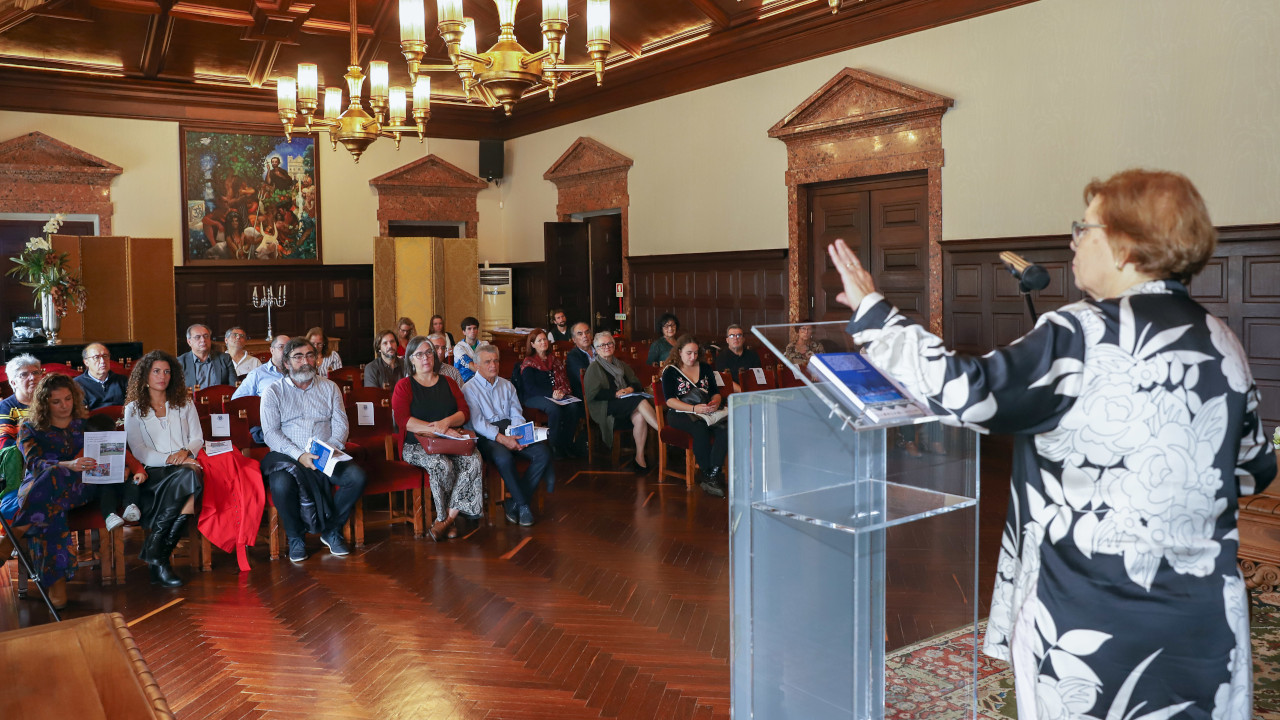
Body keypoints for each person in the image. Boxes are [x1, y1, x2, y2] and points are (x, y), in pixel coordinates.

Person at [826, 169, 1277, 720]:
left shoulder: (1081, 333)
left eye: (1083, 227)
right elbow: (1255, 468)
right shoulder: (1221, 338)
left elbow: (967, 393)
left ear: (1125, 244)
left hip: (1091, 614)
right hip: (1204, 615)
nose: (1072, 240)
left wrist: (875, 313)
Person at [260, 337, 365, 562]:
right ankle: (296, 537)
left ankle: (331, 529)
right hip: (289, 457)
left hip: (326, 453)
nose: (305, 361)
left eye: (309, 355)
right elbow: (270, 433)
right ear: (286, 363)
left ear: (317, 359)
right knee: (280, 484)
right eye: (298, 357)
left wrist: (329, 450)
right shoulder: (273, 392)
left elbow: (341, 424)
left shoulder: (330, 388)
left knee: (356, 477)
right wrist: (300, 455)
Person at [0, 373, 96, 608]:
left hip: (79, 486)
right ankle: (57, 588)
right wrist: (67, 465)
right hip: (36, 486)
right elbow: (35, 464)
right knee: (52, 500)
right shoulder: (29, 428)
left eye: (67, 399)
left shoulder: (83, 425)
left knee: (52, 486)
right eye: (56, 401)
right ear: (44, 403)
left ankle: (13, 538)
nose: (64, 406)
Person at [123, 350, 205, 587]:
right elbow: (138, 450)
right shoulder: (134, 409)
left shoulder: (185, 403)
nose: (162, 376)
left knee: (190, 477)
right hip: (153, 471)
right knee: (189, 484)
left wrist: (185, 453)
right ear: (145, 375)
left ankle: (157, 558)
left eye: (167, 371)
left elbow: (197, 438)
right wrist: (172, 459)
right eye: (156, 371)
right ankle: (158, 558)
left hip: (185, 464)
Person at [393, 336, 483, 541]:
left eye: (429, 352)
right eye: (419, 354)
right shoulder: (404, 386)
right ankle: (443, 518)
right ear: (411, 359)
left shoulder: (449, 382)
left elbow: (464, 412)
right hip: (415, 445)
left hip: (448, 441)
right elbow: (403, 421)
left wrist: (447, 423)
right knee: (442, 464)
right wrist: (436, 429)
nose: (425, 357)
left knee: (474, 459)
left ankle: (446, 521)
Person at [463, 345, 552, 527]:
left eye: (495, 361)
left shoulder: (507, 384)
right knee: (504, 458)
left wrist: (520, 434)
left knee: (543, 453)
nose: (493, 365)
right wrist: (503, 439)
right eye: (488, 362)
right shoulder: (469, 388)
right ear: (478, 365)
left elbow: (516, 413)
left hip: (511, 429)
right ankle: (523, 505)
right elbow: (479, 423)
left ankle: (516, 502)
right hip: (486, 435)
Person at [661, 335, 727, 497]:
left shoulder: (705, 368)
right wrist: (693, 408)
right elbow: (670, 401)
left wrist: (715, 403)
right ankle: (706, 473)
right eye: (689, 353)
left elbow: (715, 393)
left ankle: (713, 473)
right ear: (679, 352)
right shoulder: (670, 370)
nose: (693, 357)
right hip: (680, 413)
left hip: (705, 411)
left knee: (725, 428)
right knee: (699, 428)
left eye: (696, 353)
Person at [584, 331, 660, 472]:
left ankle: (639, 458)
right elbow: (593, 394)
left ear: (614, 345)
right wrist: (615, 393)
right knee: (640, 401)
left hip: (625, 404)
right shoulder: (593, 368)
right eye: (602, 345)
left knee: (640, 416)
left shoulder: (621, 365)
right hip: (605, 406)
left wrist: (630, 389)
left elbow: (637, 383)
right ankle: (663, 431)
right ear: (596, 348)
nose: (607, 347)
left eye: (609, 343)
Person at [519, 329, 585, 459]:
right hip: (533, 397)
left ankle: (566, 444)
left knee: (573, 407)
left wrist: (560, 392)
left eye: (545, 339)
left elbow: (564, 379)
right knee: (554, 409)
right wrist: (551, 393)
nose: (543, 342)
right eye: (539, 340)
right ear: (532, 344)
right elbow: (530, 388)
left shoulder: (553, 359)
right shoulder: (528, 362)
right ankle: (554, 446)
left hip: (556, 395)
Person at [85, 413, 143, 532]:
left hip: (123, 481)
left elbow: (133, 462)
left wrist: (139, 472)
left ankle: (130, 507)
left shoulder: (120, 448)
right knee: (106, 493)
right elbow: (77, 466)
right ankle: (110, 516)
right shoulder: (85, 451)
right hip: (104, 485)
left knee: (133, 484)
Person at [177, 323, 236, 390]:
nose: (203, 340)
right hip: (192, 400)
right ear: (189, 342)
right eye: (197, 337)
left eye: (206, 336)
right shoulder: (180, 362)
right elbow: (176, 390)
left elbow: (233, 387)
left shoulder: (224, 359)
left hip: (219, 399)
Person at [0, 355, 42, 449]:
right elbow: (4, 443)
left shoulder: (49, 402)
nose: (32, 377)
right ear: (13, 383)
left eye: (35, 372)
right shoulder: (6, 407)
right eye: (24, 374)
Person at [232, 334, 290, 399]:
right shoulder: (257, 374)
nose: (286, 351)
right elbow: (236, 400)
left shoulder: (298, 372)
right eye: (281, 347)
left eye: (289, 348)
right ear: (272, 350)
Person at [74, 343, 128, 409]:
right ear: (86, 362)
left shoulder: (123, 381)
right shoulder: (76, 384)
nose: (102, 361)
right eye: (96, 357)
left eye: (105, 356)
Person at [714, 324, 762, 389]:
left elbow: (759, 378)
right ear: (727, 340)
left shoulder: (753, 355)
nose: (735, 338)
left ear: (743, 339)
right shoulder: (721, 357)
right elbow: (725, 381)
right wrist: (743, 393)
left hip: (752, 391)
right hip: (732, 393)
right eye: (731, 336)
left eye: (739, 335)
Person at [453, 316, 489, 384]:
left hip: (483, 378)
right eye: (469, 329)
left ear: (477, 330)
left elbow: (489, 362)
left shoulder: (485, 345)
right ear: (464, 332)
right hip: (464, 381)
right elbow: (469, 364)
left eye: (474, 328)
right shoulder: (459, 347)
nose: (472, 331)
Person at [564, 321, 595, 400]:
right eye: (580, 334)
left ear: (591, 335)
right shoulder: (573, 356)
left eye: (587, 332)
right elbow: (586, 380)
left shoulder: (600, 349)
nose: (585, 336)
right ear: (574, 339)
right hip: (588, 397)